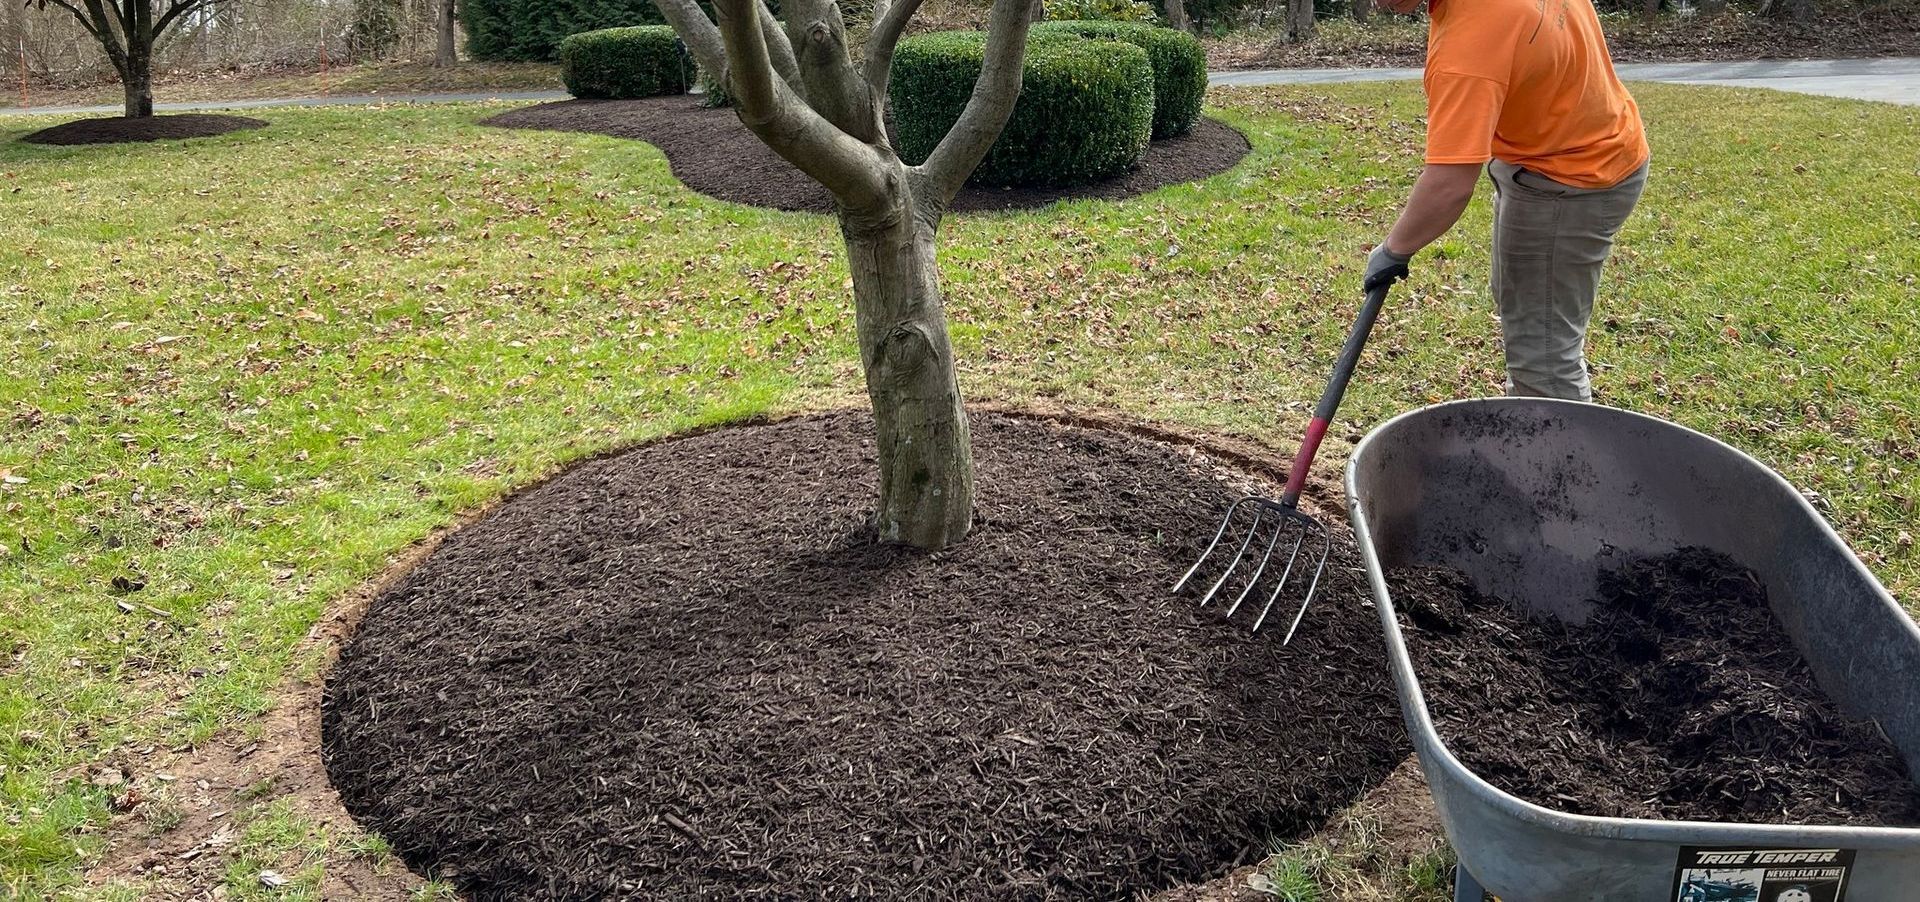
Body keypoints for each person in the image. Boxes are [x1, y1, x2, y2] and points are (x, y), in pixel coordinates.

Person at [1362, 0, 1651, 402]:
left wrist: (1393, 251)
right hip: (1590, 140)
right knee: (1529, 309)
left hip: (1568, 180)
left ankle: (1554, 456)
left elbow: (1448, 185)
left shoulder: (1468, 47)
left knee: (1544, 357)